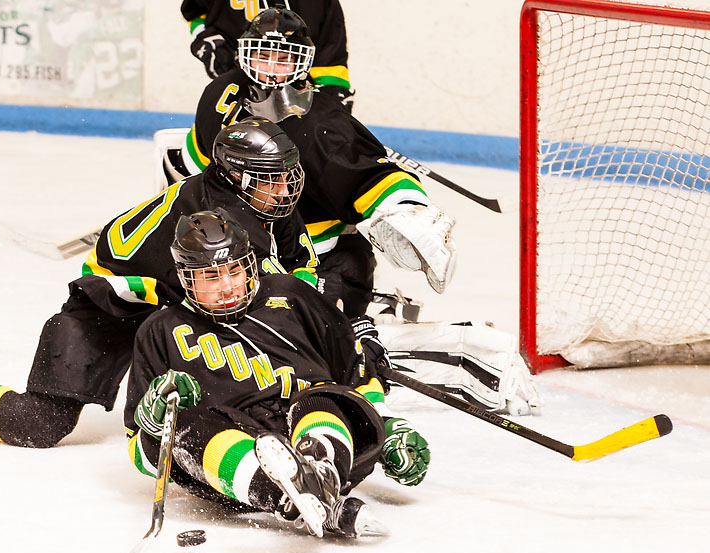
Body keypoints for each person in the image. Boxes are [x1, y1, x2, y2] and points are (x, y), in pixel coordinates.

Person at [170, 8, 542, 416]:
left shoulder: (321, 122)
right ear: (245, 53)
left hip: (322, 261)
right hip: (248, 262)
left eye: (283, 58)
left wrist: (405, 209)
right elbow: (196, 165)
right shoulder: (219, 98)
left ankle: (468, 357)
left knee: (297, 345)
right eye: (263, 55)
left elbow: (366, 175)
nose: (271, 69)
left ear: (303, 62)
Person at [0, 118, 321, 447]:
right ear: (237, 177)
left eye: (285, 176)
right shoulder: (220, 221)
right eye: (271, 178)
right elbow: (268, 305)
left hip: (178, 296)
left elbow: (300, 274)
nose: (284, 189)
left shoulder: (267, 203)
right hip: (109, 302)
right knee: (41, 424)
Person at [126, 208, 431, 538]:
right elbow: (142, 452)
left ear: (250, 265)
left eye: (234, 271)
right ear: (186, 277)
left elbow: (355, 374)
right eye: (211, 277)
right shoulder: (159, 331)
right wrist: (154, 419)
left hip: (325, 436)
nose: (227, 286)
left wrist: (390, 425)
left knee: (320, 396)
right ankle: (292, 496)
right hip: (240, 475)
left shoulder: (292, 294)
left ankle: (321, 474)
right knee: (186, 427)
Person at [182, 0, 355, 110]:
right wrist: (209, 40)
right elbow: (194, 11)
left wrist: (330, 99)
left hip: (298, 97)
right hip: (237, 82)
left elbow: (330, 53)